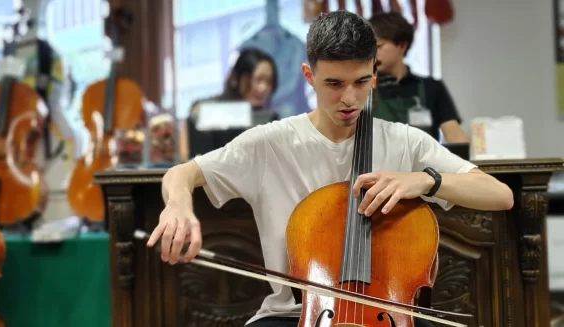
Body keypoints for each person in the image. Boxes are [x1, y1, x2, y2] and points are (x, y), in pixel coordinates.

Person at [147, 10, 513, 327]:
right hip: (294, 316)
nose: (350, 99)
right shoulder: (270, 142)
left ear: (373, 72)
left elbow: (501, 195)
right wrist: (178, 205)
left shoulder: (406, 141)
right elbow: (181, 173)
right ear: (309, 75)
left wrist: (424, 180)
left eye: (361, 82)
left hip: (388, 313)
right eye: (334, 84)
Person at [369, 12, 469, 143]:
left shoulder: (432, 87)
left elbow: (454, 135)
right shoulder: (363, 89)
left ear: (401, 45)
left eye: (378, 46)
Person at [179, 47, 280, 161]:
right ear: (237, 78)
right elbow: (185, 158)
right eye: (258, 79)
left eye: (269, 81)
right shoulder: (203, 109)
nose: (263, 88)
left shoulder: (268, 119)